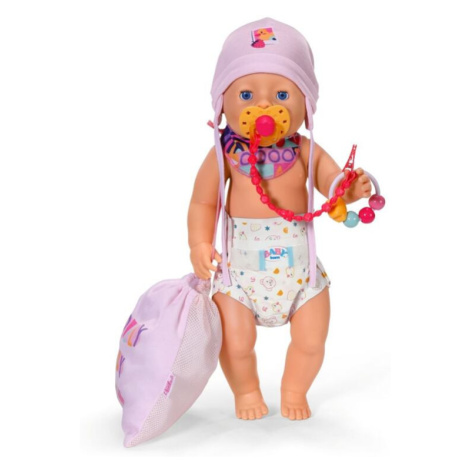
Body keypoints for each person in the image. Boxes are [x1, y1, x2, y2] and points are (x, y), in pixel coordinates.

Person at [188, 18, 371, 421]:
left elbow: (330, 179)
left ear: (306, 105)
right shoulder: (224, 153)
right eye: (246, 94)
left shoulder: (304, 150)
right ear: (221, 103)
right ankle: (246, 390)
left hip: (301, 275)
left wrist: (347, 188)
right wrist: (200, 244)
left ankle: (294, 389)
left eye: (283, 94)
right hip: (239, 276)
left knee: (311, 339)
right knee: (234, 343)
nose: (264, 107)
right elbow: (203, 203)